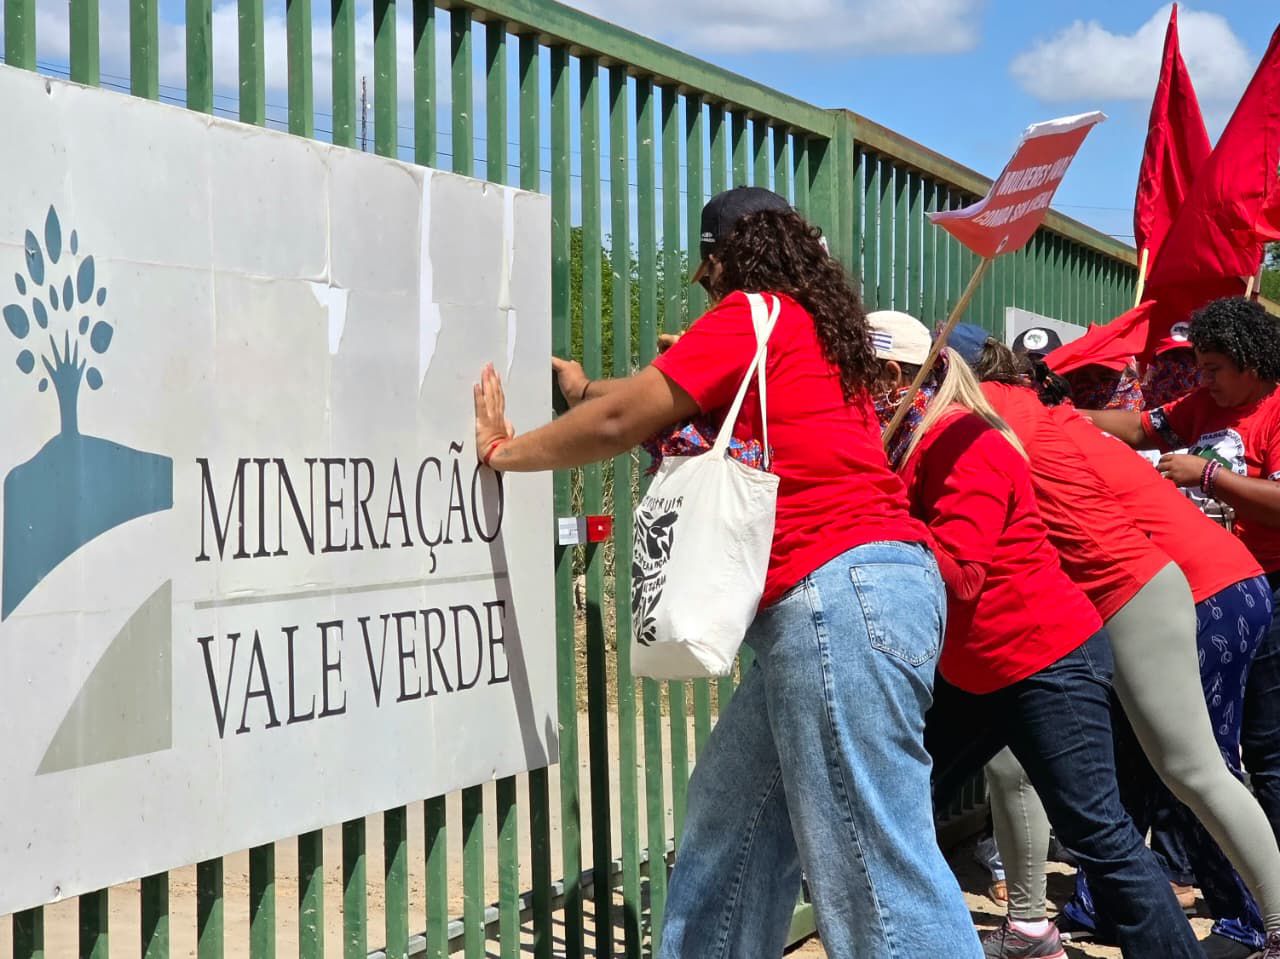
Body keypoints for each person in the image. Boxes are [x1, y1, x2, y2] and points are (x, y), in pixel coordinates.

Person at [475, 187, 982, 958]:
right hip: (861, 597)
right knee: (729, 829)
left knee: (878, 873)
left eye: (705, 268)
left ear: (722, 258)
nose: (705, 285)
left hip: (835, 602)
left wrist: (504, 452)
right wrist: (578, 389)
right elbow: (643, 394)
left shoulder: (752, 316)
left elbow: (624, 421)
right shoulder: (821, 333)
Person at [869, 311, 1202, 959]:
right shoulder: (905, 438)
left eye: (855, 379)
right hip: (976, 670)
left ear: (892, 376)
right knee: (895, 800)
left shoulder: (969, 441)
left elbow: (960, 573)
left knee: (1098, 833)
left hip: (1048, 660)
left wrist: (873, 536)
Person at [953, 319, 1280, 959]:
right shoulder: (1043, 416)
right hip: (1195, 578)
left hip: (1193, 583)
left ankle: (1257, 922)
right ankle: (1066, 918)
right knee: (1148, 771)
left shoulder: (994, 422)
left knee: (1195, 769)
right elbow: (1134, 429)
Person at [1083, 297, 1280, 857]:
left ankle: (1266, 886)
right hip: (1211, 591)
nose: (1204, 379)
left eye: (1214, 368)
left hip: (1269, 588)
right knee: (1194, 743)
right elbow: (1142, 428)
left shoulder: (1276, 412)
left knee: (1264, 744)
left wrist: (1209, 474)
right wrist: (1068, 419)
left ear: (1250, 362)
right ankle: (1193, 867)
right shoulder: (1202, 406)